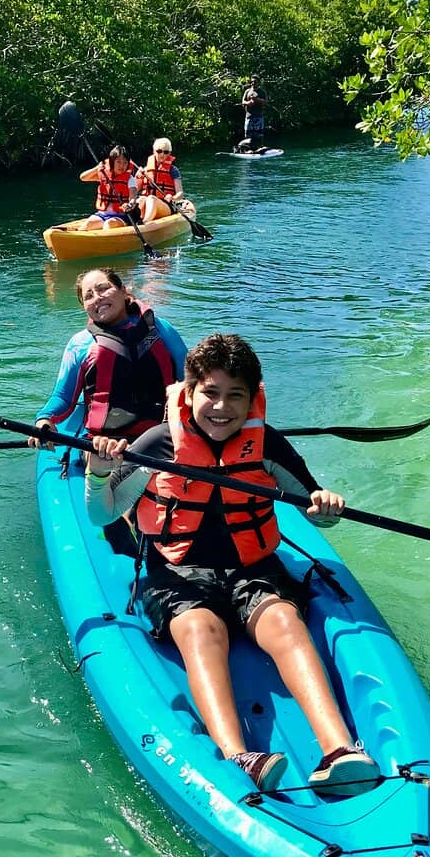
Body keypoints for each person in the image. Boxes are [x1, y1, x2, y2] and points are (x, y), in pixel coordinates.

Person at [84, 333, 382, 795]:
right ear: (189, 393)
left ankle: (341, 750)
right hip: (178, 574)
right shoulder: (157, 443)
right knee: (202, 630)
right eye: (211, 393)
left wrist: (324, 507)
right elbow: (102, 513)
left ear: (253, 398)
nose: (222, 407)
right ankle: (239, 755)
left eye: (235, 395)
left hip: (254, 566)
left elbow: (311, 508)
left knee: (285, 620)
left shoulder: (266, 444)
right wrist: (100, 471)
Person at [29, 267, 188, 442]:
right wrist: (44, 418)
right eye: (88, 296)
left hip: (163, 434)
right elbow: (63, 397)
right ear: (84, 307)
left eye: (103, 288)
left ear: (123, 291)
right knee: (103, 459)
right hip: (105, 442)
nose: (97, 297)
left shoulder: (160, 329)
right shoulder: (80, 344)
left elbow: (189, 381)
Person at [78, 145, 140, 231]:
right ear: (112, 162)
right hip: (101, 215)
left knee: (108, 224)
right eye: (118, 162)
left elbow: (133, 198)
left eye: (125, 163)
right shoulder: (104, 175)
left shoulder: (130, 179)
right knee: (87, 225)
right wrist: (96, 168)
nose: (122, 166)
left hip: (121, 216)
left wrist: (129, 205)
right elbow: (83, 177)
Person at [135, 137, 185, 223]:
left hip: (166, 205)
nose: (162, 154)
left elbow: (180, 194)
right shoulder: (146, 170)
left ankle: (145, 223)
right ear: (154, 152)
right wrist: (137, 176)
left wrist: (173, 197)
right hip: (149, 204)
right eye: (159, 151)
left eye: (166, 152)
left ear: (169, 153)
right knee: (141, 199)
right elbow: (135, 191)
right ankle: (135, 220)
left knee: (151, 198)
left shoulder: (173, 170)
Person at [241, 75, 267, 149]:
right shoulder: (247, 91)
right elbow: (243, 102)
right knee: (247, 135)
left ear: (258, 83)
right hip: (249, 116)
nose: (253, 83)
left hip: (258, 116)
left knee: (259, 135)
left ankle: (259, 148)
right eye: (251, 82)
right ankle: (247, 149)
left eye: (255, 82)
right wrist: (248, 103)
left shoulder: (262, 92)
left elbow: (265, 102)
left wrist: (257, 99)